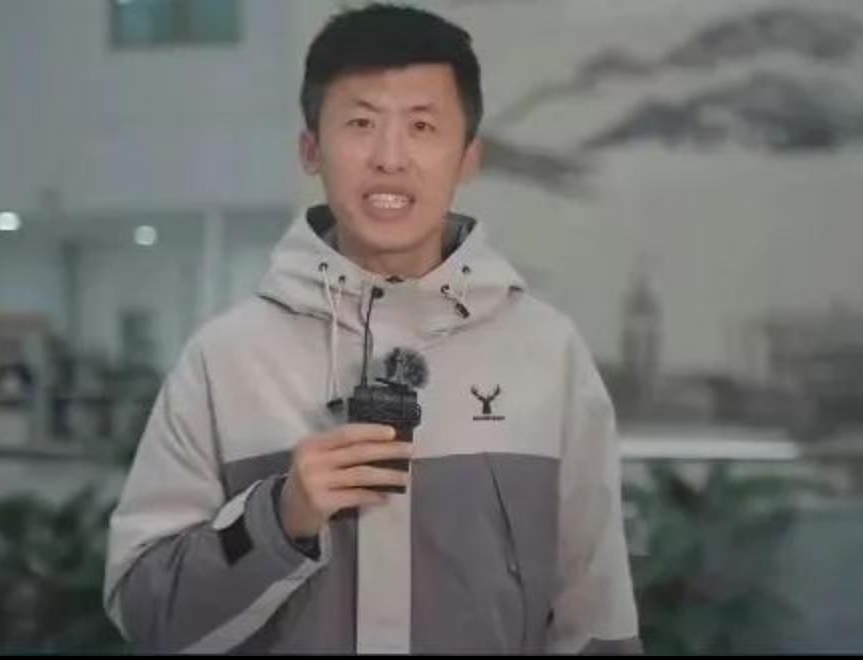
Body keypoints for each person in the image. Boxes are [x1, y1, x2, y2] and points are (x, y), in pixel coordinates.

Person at [103, 3, 640, 654]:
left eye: (422, 126)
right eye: (360, 123)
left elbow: (597, 615)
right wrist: (279, 519)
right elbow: (146, 613)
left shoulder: (547, 354)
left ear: (468, 157)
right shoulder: (226, 360)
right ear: (311, 149)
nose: (390, 157)